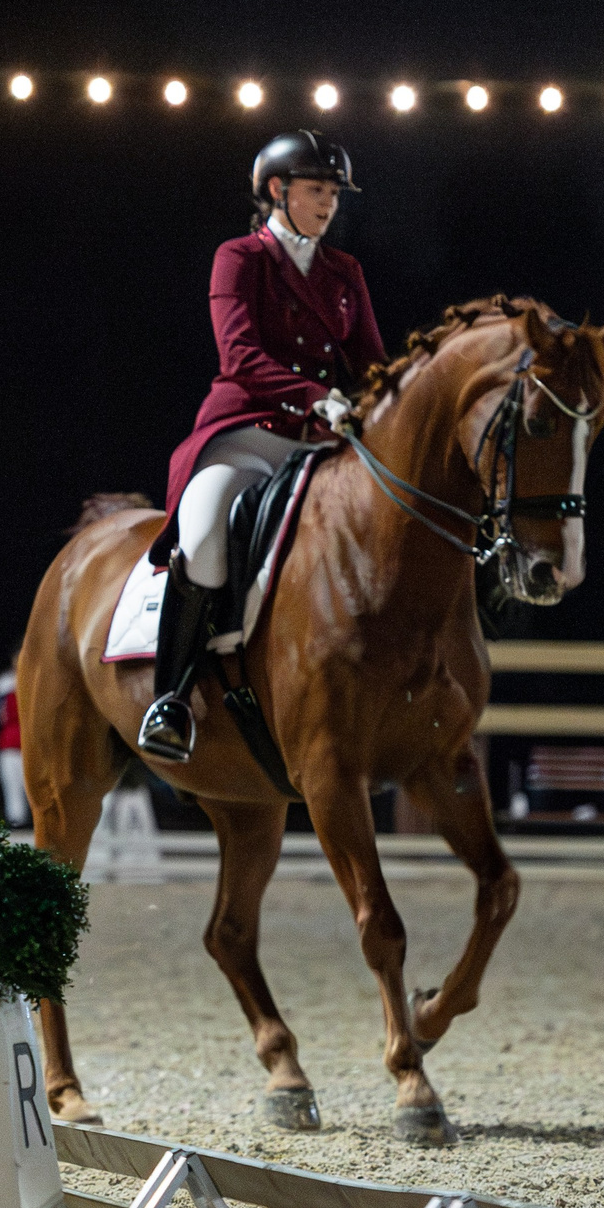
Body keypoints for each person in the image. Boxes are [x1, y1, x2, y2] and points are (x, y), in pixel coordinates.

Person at [140, 131, 386, 761]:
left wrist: (389, 400)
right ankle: (171, 699)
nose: (329, 204)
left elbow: (372, 362)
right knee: (202, 532)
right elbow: (240, 355)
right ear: (277, 191)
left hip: (322, 444)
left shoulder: (344, 271)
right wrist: (313, 397)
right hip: (249, 433)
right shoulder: (240, 257)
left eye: (334, 192)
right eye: (316, 190)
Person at [0, 666, 28, 827]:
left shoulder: (44, 677)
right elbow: (3, 716)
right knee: (13, 796)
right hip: (10, 745)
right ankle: (16, 825)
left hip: (36, 749)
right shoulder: (6, 683)